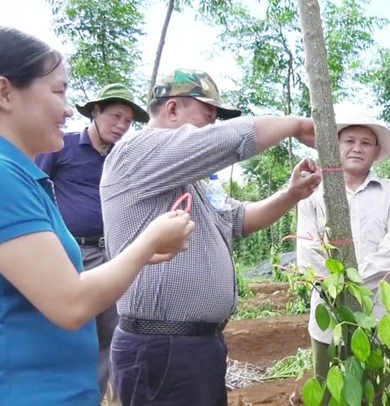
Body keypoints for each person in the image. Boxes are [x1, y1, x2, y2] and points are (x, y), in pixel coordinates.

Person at [0, 26, 194, 405]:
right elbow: (71, 303)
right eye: (59, 91)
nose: (66, 108)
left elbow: (61, 286)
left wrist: (140, 253)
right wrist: (145, 244)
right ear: (5, 93)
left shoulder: (16, 175)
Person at [100, 68, 321, 405]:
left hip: (199, 347)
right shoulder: (136, 152)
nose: (213, 127)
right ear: (172, 109)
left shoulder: (196, 181)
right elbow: (230, 140)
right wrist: (294, 125)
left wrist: (291, 194)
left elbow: (237, 219)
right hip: (161, 349)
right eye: (208, 115)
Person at [36, 83, 149, 404]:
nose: (121, 126)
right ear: (96, 112)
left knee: (111, 333)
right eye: (115, 116)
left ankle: (103, 398)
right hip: (73, 253)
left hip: (114, 252)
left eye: (128, 121)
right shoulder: (63, 147)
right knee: (71, 330)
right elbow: (36, 189)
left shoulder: (123, 157)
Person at [296, 106, 390, 401]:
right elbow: (308, 252)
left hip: (383, 318)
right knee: (332, 395)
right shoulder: (312, 194)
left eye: (366, 142)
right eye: (349, 141)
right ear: (335, 147)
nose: (357, 148)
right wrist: (337, 288)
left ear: (375, 152)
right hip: (330, 323)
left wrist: (349, 282)